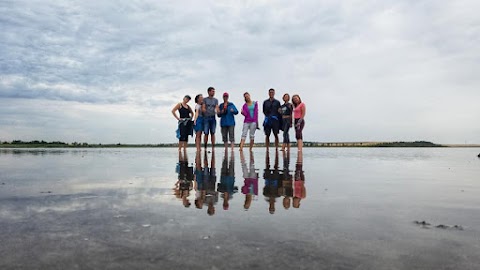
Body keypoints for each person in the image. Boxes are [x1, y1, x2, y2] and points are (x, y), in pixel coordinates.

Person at [202, 87, 220, 151]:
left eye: (214, 91)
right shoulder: (205, 99)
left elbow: (217, 107)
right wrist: (205, 111)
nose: (213, 92)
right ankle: (205, 147)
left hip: (213, 118)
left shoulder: (216, 100)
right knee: (206, 133)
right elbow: (203, 107)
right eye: (212, 91)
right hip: (206, 118)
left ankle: (213, 147)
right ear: (209, 92)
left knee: (213, 132)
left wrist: (218, 111)